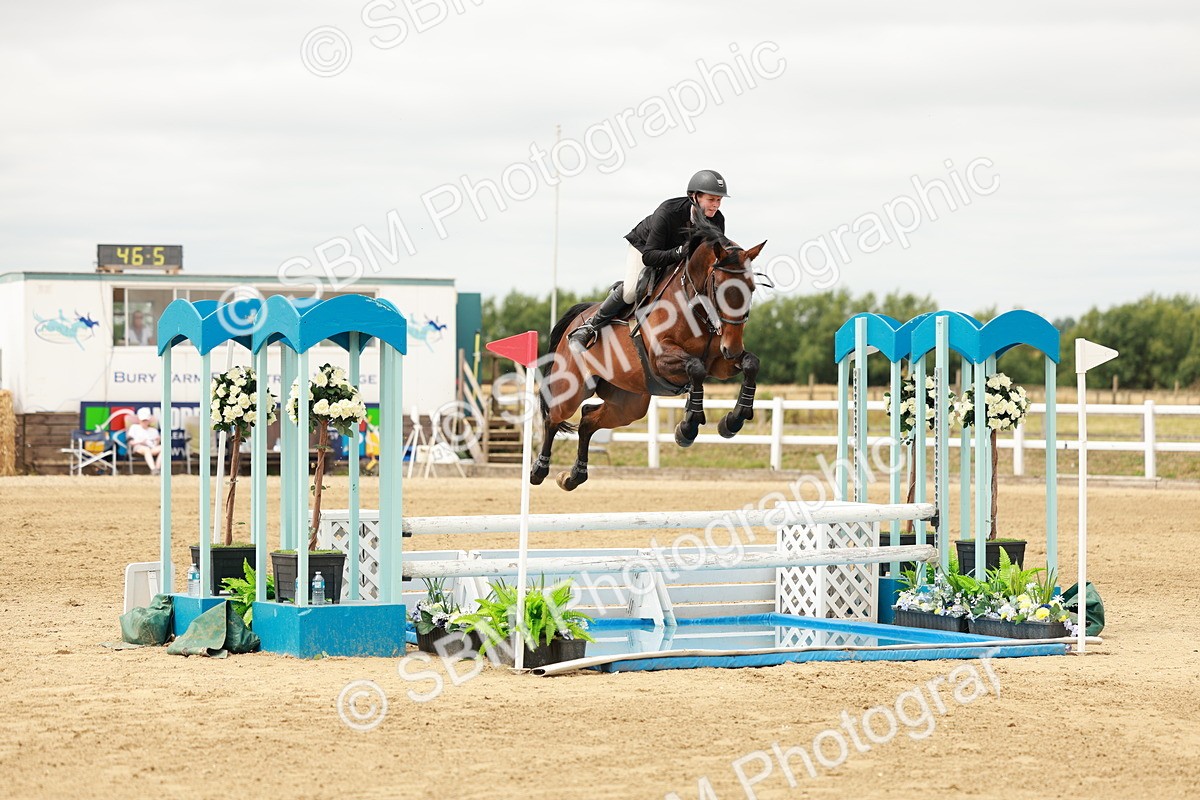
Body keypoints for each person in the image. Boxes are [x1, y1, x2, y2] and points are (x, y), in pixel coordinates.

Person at [568, 169, 728, 352]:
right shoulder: (669, 212)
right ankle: (590, 327)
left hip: (679, 259)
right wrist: (679, 252)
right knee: (630, 291)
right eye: (711, 199)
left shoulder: (717, 221)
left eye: (719, 200)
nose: (716, 205)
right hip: (645, 248)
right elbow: (650, 256)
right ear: (695, 196)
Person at [126, 409, 163, 474]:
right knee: (146, 449)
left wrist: (157, 440)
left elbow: (156, 444)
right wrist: (140, 442)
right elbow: (130, 441)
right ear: (139, 420)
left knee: (164, 448)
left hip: (152, 448)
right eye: (143, 420)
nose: (144, 422)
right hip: (138, 448)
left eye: (146, 420)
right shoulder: (134, 427)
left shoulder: (153, 430)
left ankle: (157, 469)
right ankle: (153, 469)